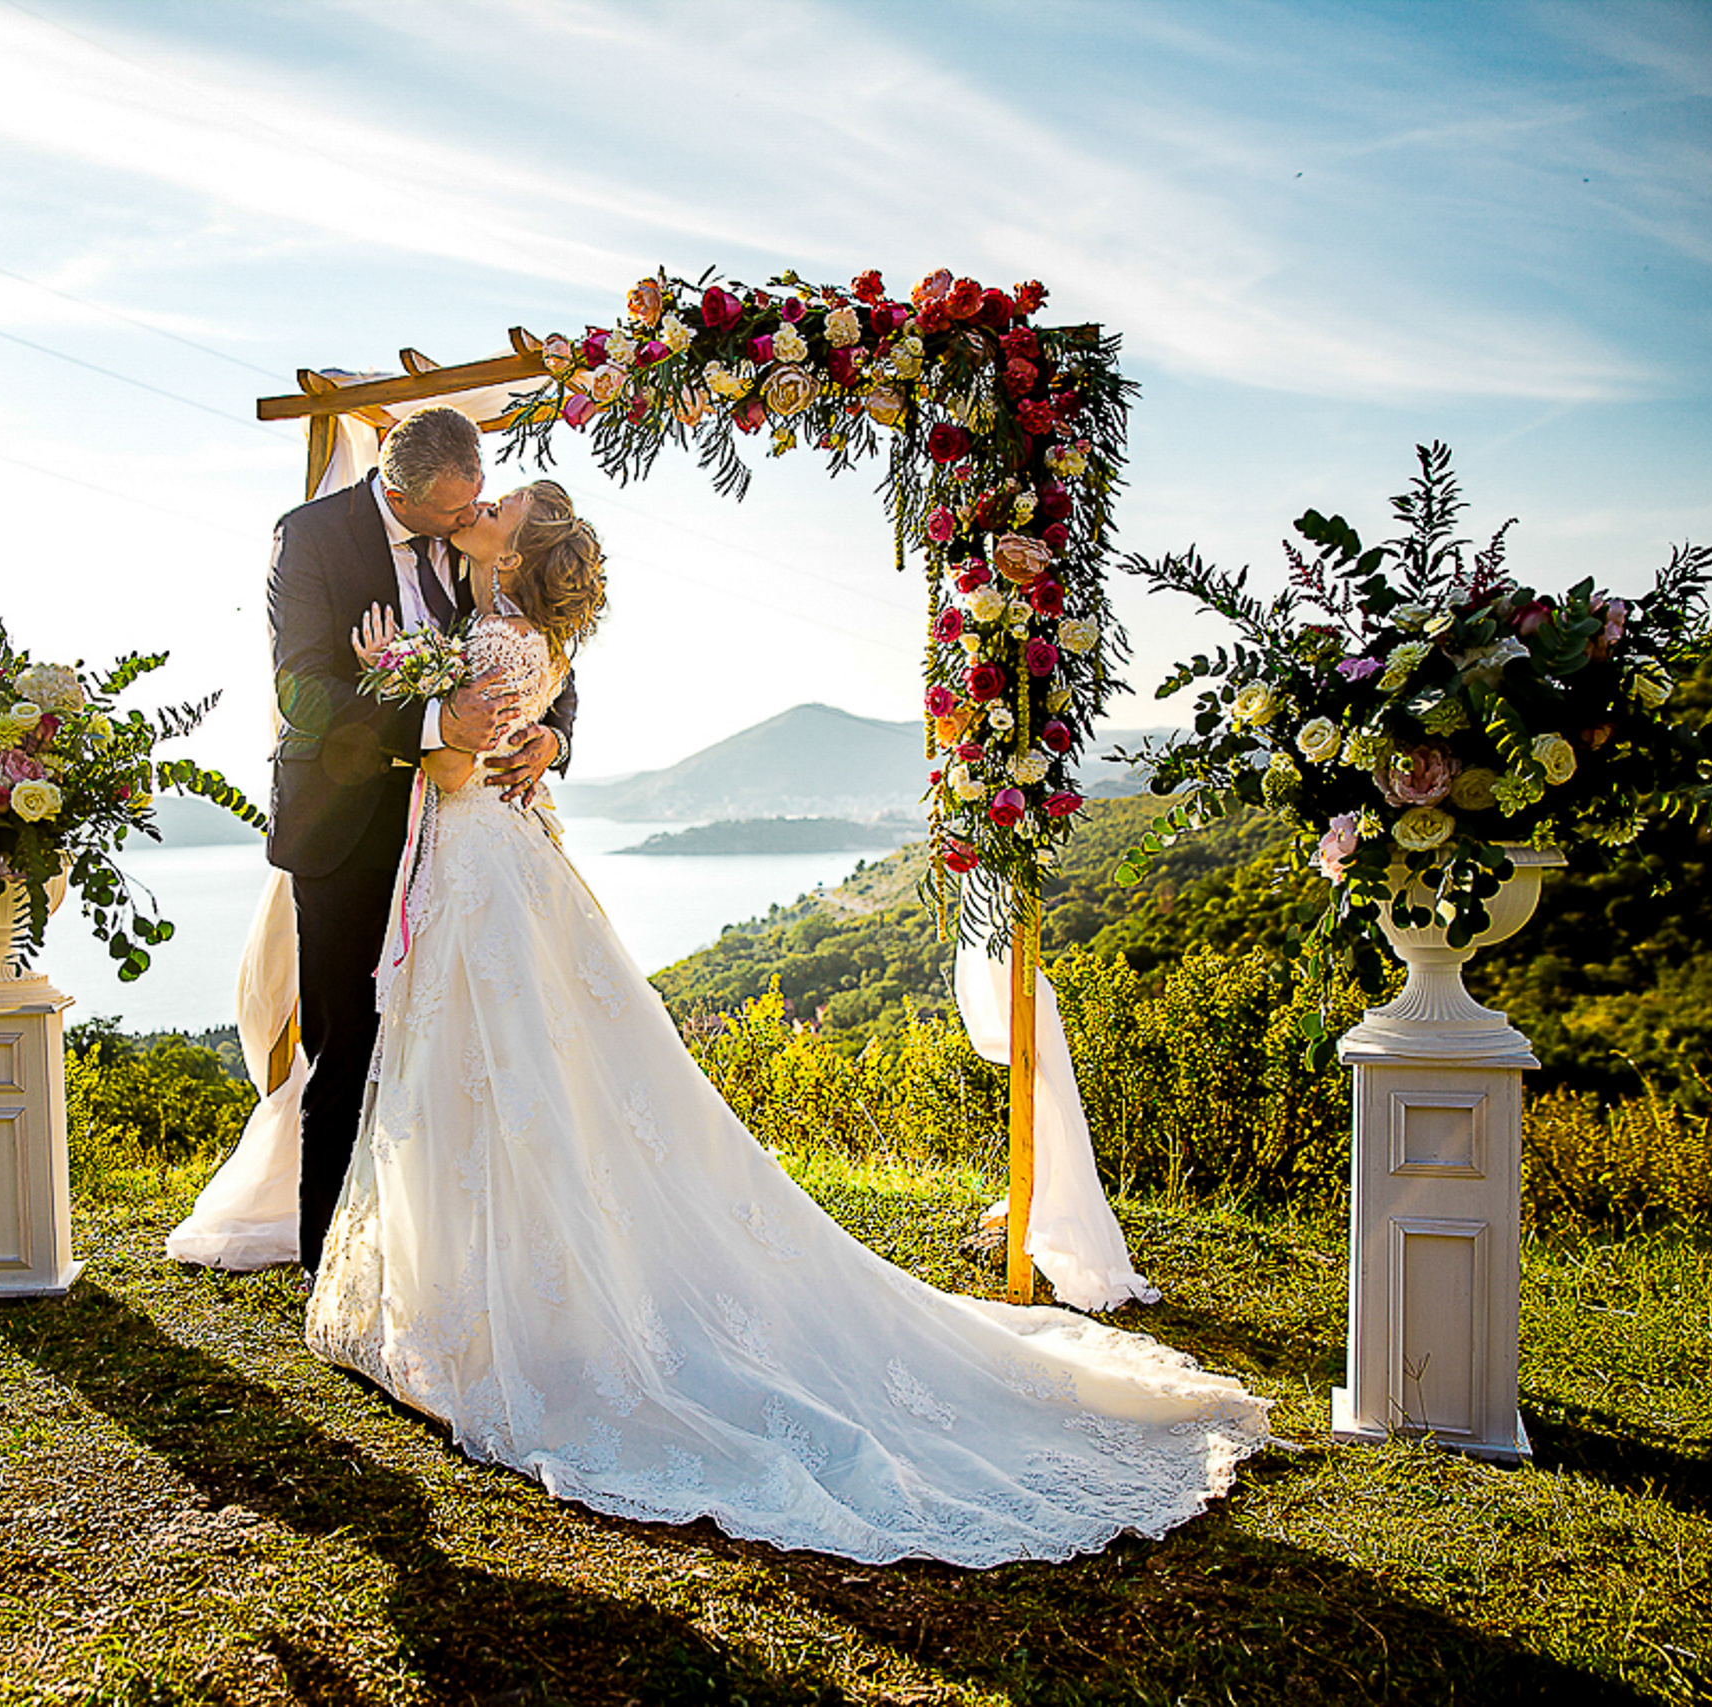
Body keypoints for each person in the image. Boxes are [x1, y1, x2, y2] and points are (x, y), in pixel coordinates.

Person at [307, 481, 1271, 1568]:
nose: (482, 503)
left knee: (496, 1079)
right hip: (501, 865)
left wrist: (404, 693)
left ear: (518, 548)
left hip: (484, 867)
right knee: (518, 1082)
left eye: (504, 505)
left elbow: (446, 761)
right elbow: (502, 731)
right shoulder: (520, 631)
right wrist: (440, 704)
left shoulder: (488, 630)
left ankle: (502, 1310)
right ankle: (500, 1291)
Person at [263, 405, 576, 1275]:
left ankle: (436, 1248)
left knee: (452, 1049)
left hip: (460, 840)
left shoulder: (477, 538)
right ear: (400, 491)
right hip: (348, 828)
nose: (467, 520)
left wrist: (553, 737)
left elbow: (552, 658)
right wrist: (436, 715)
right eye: (451, 512)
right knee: (347, 1047)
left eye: (478, 503)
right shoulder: (313, 537)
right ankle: (329, 1260)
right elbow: (304, 692)